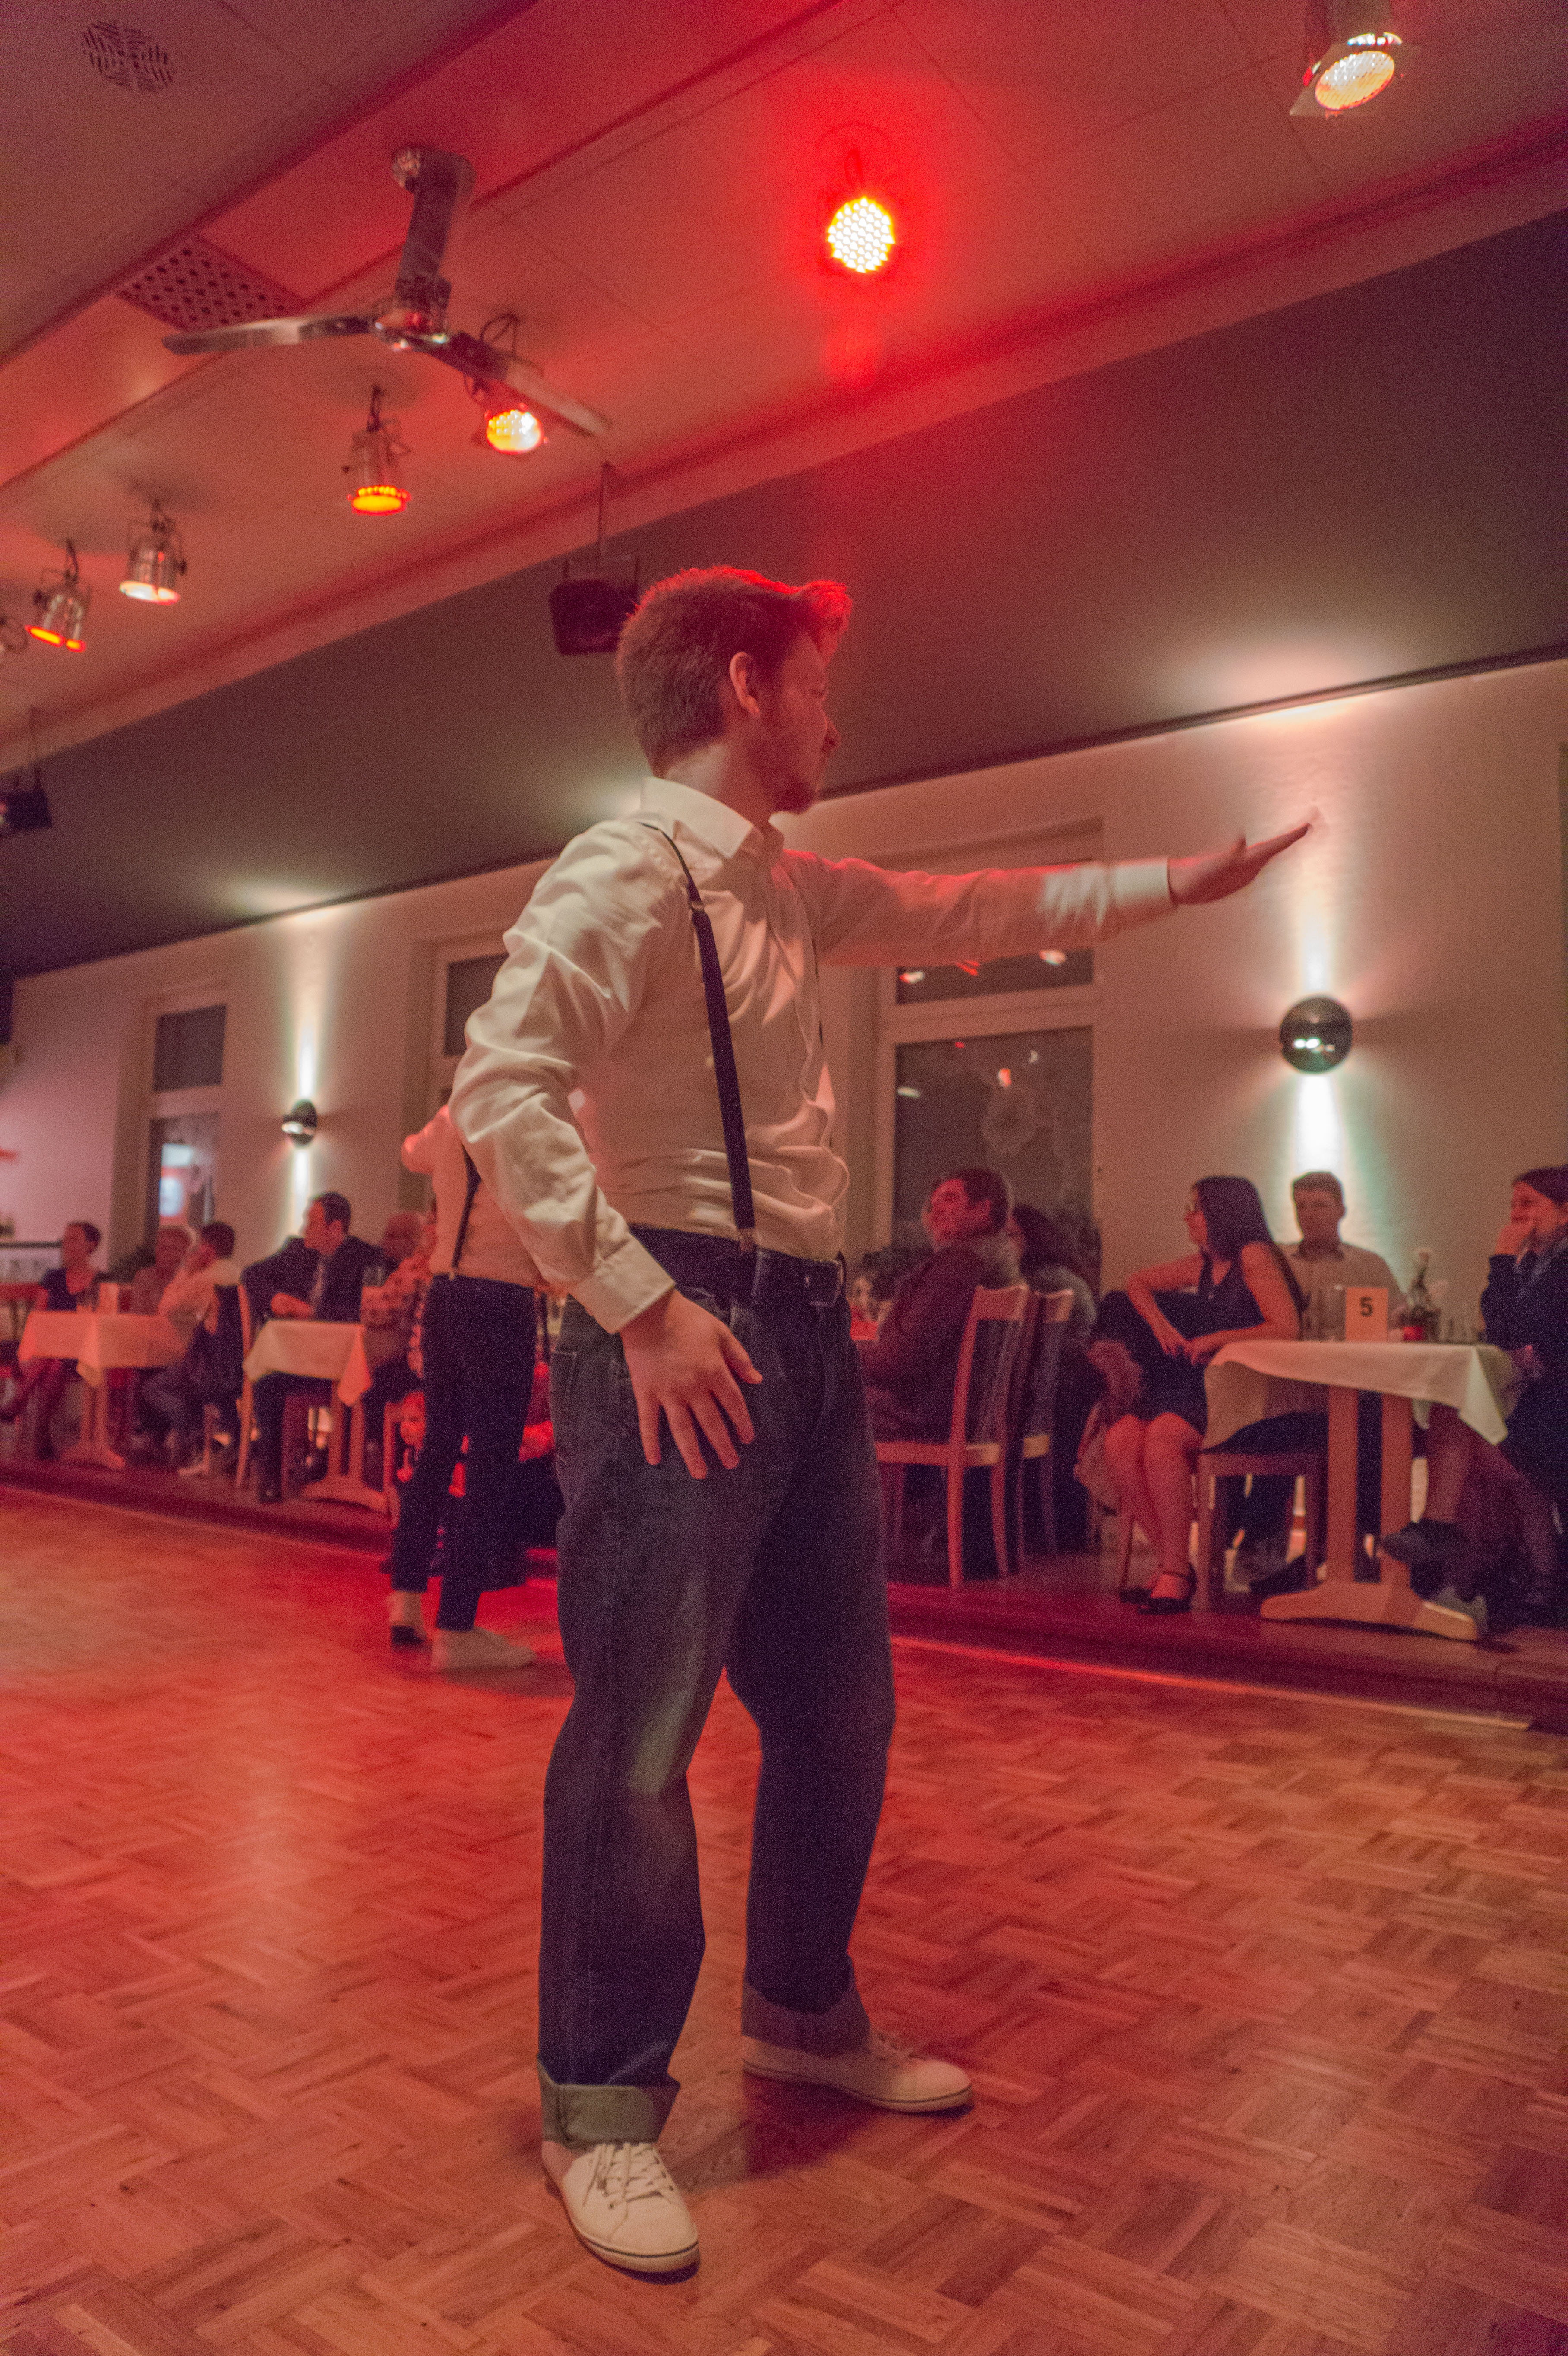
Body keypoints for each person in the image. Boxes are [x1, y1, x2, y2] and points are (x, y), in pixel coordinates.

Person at [449, 561, 1306, 2275]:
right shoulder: (625, 867)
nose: (835, 723)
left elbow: (972, 904)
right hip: (678, 1310)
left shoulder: (786, 886)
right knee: (638, 1732)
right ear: (745, 684)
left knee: (840, 1704)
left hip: (800, 1318)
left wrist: (1176, 881)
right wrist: (639, 1304)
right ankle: (599, 2103)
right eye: (821, 687)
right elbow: (500, 1085)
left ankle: (797, 2010)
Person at [1101, 1177, 1305, 1614]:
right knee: (1119, 1441)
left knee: (1163, 1436)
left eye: (1195, 1208)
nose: (1187, 1218)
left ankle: (1176, 1572)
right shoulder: (1204, 1263)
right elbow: (1137, 1283)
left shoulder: (1253, 1255)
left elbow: (1285, 1326)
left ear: (1222, 1213)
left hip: (1250, 1392)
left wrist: (1215, 1338)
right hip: (1210, 1386)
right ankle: (1172, 1562)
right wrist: (1162, 1327)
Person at [385, 1106, 540, 1670]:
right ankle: (457, 1627)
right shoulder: (535, 1113)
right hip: (500, 1296)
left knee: (437, 1450)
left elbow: (411, 1153)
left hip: (446, 1295)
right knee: (491, 1464)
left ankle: (405, 1601)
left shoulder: (454, 1114)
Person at [1383, 1166, 1568, 1619]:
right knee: (1457, 1412)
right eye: (1513, 1204)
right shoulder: (1536, 1264)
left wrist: (1502, 1257)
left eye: (1528, 1203)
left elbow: (1509, 1329)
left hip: (1558, 1418)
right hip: (1540, 1408)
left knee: (1456, 1417)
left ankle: (1447, 1553)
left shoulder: (1558, 1266)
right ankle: (1513, 1579)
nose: (1516, 1214)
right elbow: (1500, 1327)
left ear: (1564, 1212)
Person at [1226, 1170, 1406, 1581]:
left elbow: (1397, 1324)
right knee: (1279, 1425)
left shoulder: (1369, 1266)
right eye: (1302, 1206)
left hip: (1348, 1388)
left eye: (1320, 1205)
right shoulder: (1274, 1264)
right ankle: (1263, 1545)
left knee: (1369, 1425)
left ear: (1342, 1210)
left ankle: (1357, 1542)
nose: (1309, 1214)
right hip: (1284, 1388)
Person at [858, 1168, 1019, 1438]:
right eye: (934, 1203)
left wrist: (836, 1353)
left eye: (950, 1199)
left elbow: (901, 1361)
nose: (936, 1210)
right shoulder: (1001, 1261)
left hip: (922, 1417)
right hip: (968, 1418)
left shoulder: (960, 1265)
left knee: (805, 1399)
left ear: (983, 1209)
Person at [251, 1191, 379, 1503]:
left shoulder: (365, 1258)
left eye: (312, 1223)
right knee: (266, 1381)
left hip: (343, 1364)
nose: (304, 1229)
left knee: (360, 1390)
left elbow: (363, 1310)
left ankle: (333, 1468)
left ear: (335, 1229)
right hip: (301, 1362)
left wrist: (312, 1312)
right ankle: (271, 1473)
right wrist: (274, 1298)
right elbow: (252, 1275)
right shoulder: (297, 1251)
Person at [138, 1221, 240, 1465]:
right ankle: (233, 1441)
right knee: (184, 1372)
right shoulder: (242, 1276)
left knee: (153, 1388)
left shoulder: (206, 1279)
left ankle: (194, 1433)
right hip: (240, 1369)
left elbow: (166, 1308)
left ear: (206, 1250)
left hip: (210, 1370)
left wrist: (187, 1271)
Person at [0, 1219, 101, 1454]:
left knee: (54, 1357)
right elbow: (38, 1316)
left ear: (91, 1245)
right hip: (49, 1351)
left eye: (74, 1239)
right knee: (54, 1362)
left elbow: (100, 1318)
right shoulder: (53, 1278)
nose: (67, 1244)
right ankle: (41, 1431)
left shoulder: (101, 1280)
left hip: (83, 1350)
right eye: (66, 1239)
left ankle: (19, 1405)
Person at [1008, 1202, 1095, 1342]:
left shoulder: (1043, 1281)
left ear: (1032, 1238)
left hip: (1066, 1354)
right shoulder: (1060, 1273)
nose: (1004, 1244)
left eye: (1010, 1236)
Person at [128, 1222, 192, 1315]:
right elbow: (138, 1314)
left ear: (184, 1253)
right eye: (160, 1247)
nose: (163, 1253)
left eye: (171, 1248)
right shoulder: (145, 1276)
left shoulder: (190, 1279)